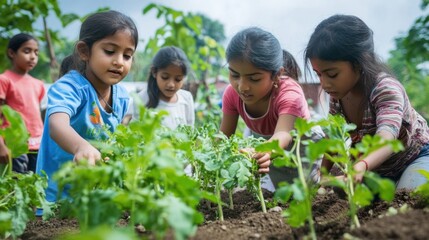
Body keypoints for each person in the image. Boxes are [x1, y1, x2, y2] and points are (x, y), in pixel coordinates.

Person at [304, 14, 429, 190]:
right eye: (319, 74)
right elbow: (333, 137)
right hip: (376, 170)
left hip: (414, 158)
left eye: (332, 74)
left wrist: (360, 166)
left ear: (359, 63)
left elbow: (387, 138)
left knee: (408, 196)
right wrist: (320, 176)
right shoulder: (338, 96)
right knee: (340, 190)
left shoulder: (385, 88)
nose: (324, 84)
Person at [36, 10, 139, 203]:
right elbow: (57, 126)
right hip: (56, 196)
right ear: (84, 51)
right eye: (110, 52)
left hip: (94, 196)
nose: (119, 62)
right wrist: (81, 147)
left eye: (127, 55)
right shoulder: (70, 87)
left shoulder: (122, 97)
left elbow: (113, 139)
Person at [220, 27, 321, 189]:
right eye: (235, 75)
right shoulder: (232, 95)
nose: (242, 87)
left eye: (254, 79)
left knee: (309, 191)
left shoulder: (289, 93)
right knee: (281, 193)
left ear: (276, 75)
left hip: (301, 145)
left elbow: (283, 133)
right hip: (270, 147)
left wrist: (263, 150)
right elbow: (224, 137)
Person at [0, 33, 45, 173]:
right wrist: (1, 145)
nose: (33, 56)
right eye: (27, 51)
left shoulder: (38, 84)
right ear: (12, 53)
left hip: (37, 145)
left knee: (35, 185)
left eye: (36, 52)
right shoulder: (4, 80)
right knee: (15, 188)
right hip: (15, 144)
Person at [134, 46, 195, 129]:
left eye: (178, 79)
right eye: (165, 77)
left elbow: (190, 130)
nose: (171, 84)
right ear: (154, 72)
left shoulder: (186, 98)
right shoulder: (141, 99)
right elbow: (135, 131)